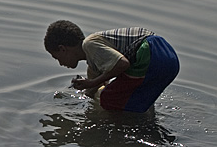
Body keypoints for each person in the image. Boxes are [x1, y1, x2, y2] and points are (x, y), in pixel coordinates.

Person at [44, 20, 179, 112]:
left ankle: (119, 132)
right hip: (168, 56)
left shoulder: (89, 44)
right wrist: (85, 90)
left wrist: (92, 83)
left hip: (150, 52)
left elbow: (122, 64)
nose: (61, 63)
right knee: (136, 100)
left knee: (109, 98)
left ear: (63, 49)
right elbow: (91, 92)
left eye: (57, 58)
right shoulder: (94, 64)